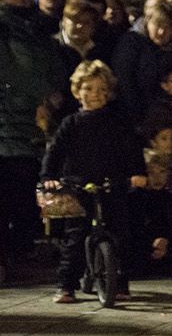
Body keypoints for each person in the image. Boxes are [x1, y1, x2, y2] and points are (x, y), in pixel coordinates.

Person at [40, 61, 145, 303]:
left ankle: (120, 283)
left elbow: (131, 149)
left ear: (108, 93)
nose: (94, 95)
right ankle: (66, 285)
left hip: (112, 183)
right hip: (79, 185)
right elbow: (54, 152)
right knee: (76, 237)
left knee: (120, 234)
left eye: (100, 90)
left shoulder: (117, 122)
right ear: (78, 92)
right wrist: (49, 177)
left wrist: (137, 173)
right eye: (88, 89)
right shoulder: (71, 123)